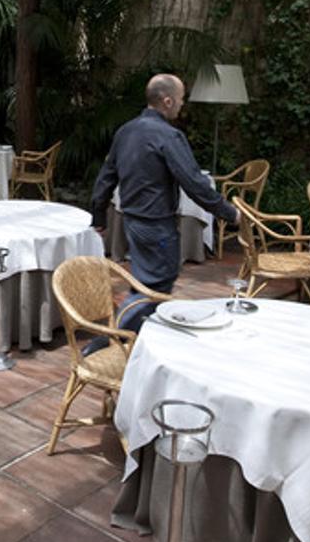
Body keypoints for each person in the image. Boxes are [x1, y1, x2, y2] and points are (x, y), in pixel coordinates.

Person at [88, 73, 239, 341]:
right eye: (181, 100)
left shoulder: (126, 131)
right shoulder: (169, 136)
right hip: (156, 226)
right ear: (167, 101)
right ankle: (107, 341)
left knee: (147, 284)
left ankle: (141, 338)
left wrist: (99, 216)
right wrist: (230, 213)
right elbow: (194, 183)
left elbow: (105, 178)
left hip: (132, 223)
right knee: (154, 287)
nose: (182, 105)